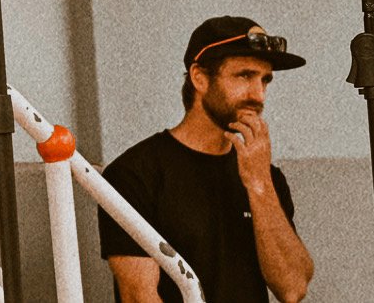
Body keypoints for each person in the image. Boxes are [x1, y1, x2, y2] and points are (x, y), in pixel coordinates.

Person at [97, 16, 315, 302]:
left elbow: (293, 288)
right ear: (199, 77)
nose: (258, 94)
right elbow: (139, 296)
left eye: (265, 80)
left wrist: (259, 183)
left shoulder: (265, 176)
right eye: (244, 76)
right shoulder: (134, 175)